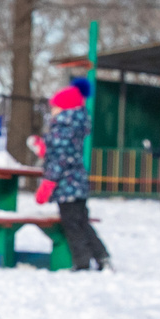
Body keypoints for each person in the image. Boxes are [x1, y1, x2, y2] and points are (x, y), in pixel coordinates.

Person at [39, 83, 112, 271]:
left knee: (72, 224)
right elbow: (63, 152)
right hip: (77, 183)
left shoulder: (62, 127)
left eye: (55, 107)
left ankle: (82, 261)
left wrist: (48, 182)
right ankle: (101, 256)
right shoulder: (75, 126)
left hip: (66, 185)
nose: (52, 111)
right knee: (82, 222)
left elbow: (60, 159)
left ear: (65, 108)